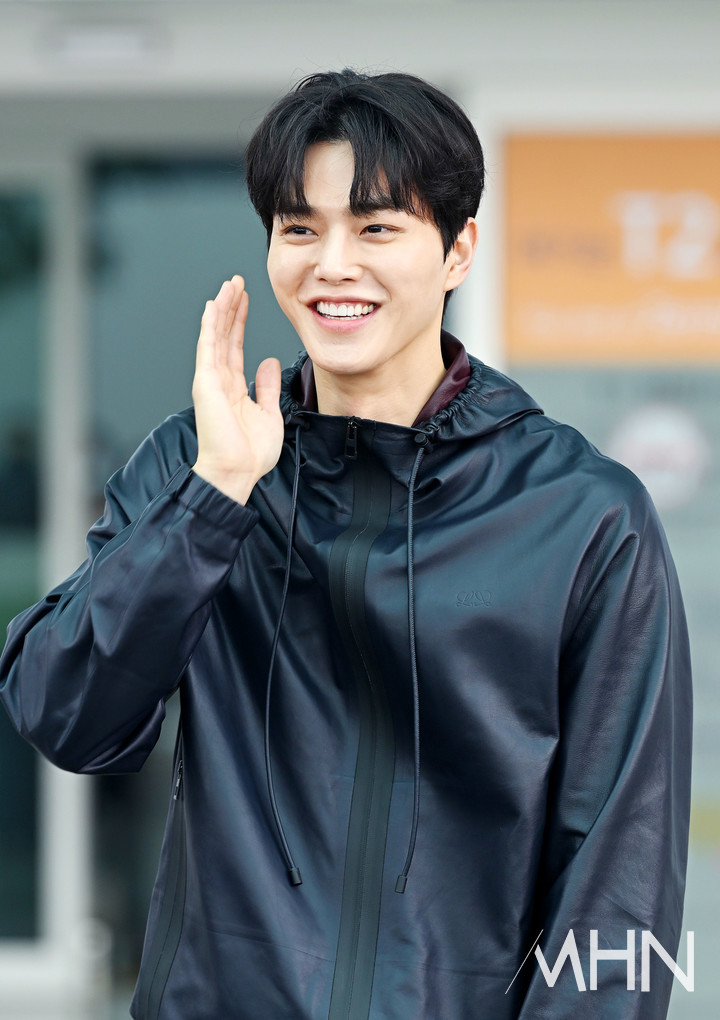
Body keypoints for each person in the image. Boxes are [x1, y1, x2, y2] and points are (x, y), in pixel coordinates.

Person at [0, 69, 692, 1019]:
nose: (332, 265)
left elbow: (619, 889)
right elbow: (65, 714)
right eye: (300, 229)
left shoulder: (582, 517)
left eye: (375, 228)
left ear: (457, 250)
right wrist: (214, 498)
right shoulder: (200, 466)